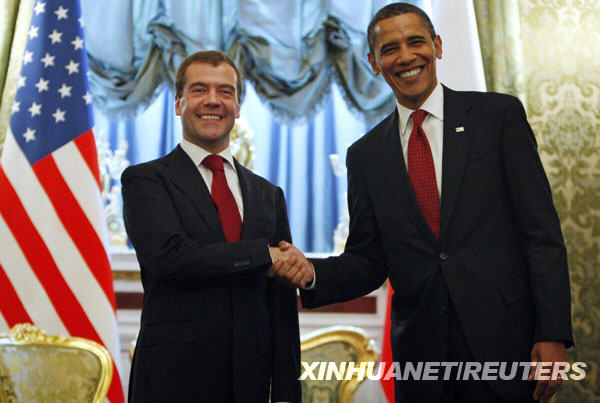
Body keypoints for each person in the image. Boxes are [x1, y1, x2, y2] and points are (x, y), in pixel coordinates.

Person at [279, 3, 573, 402]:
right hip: (422, 361)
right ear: (374, 63)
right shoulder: (365, 155)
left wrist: (553, 333)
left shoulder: (497, 117)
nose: (405, 57)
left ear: (437, 46)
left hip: (508, 345)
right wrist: (311, 272)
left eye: (415, 42)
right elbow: (368, 260)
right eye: (389, 49)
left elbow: (540, 233)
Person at [121, 50, 303, 402]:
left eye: (225, 91)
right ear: (179, 103)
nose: (213, 101)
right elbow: (171, 258)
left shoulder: (268, 194)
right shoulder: (146, 180)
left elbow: (281, 301)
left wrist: (286, 392)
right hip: (172, 381)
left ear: (238, 106)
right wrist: (263, 255)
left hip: (249, 383)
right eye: (199, 89)